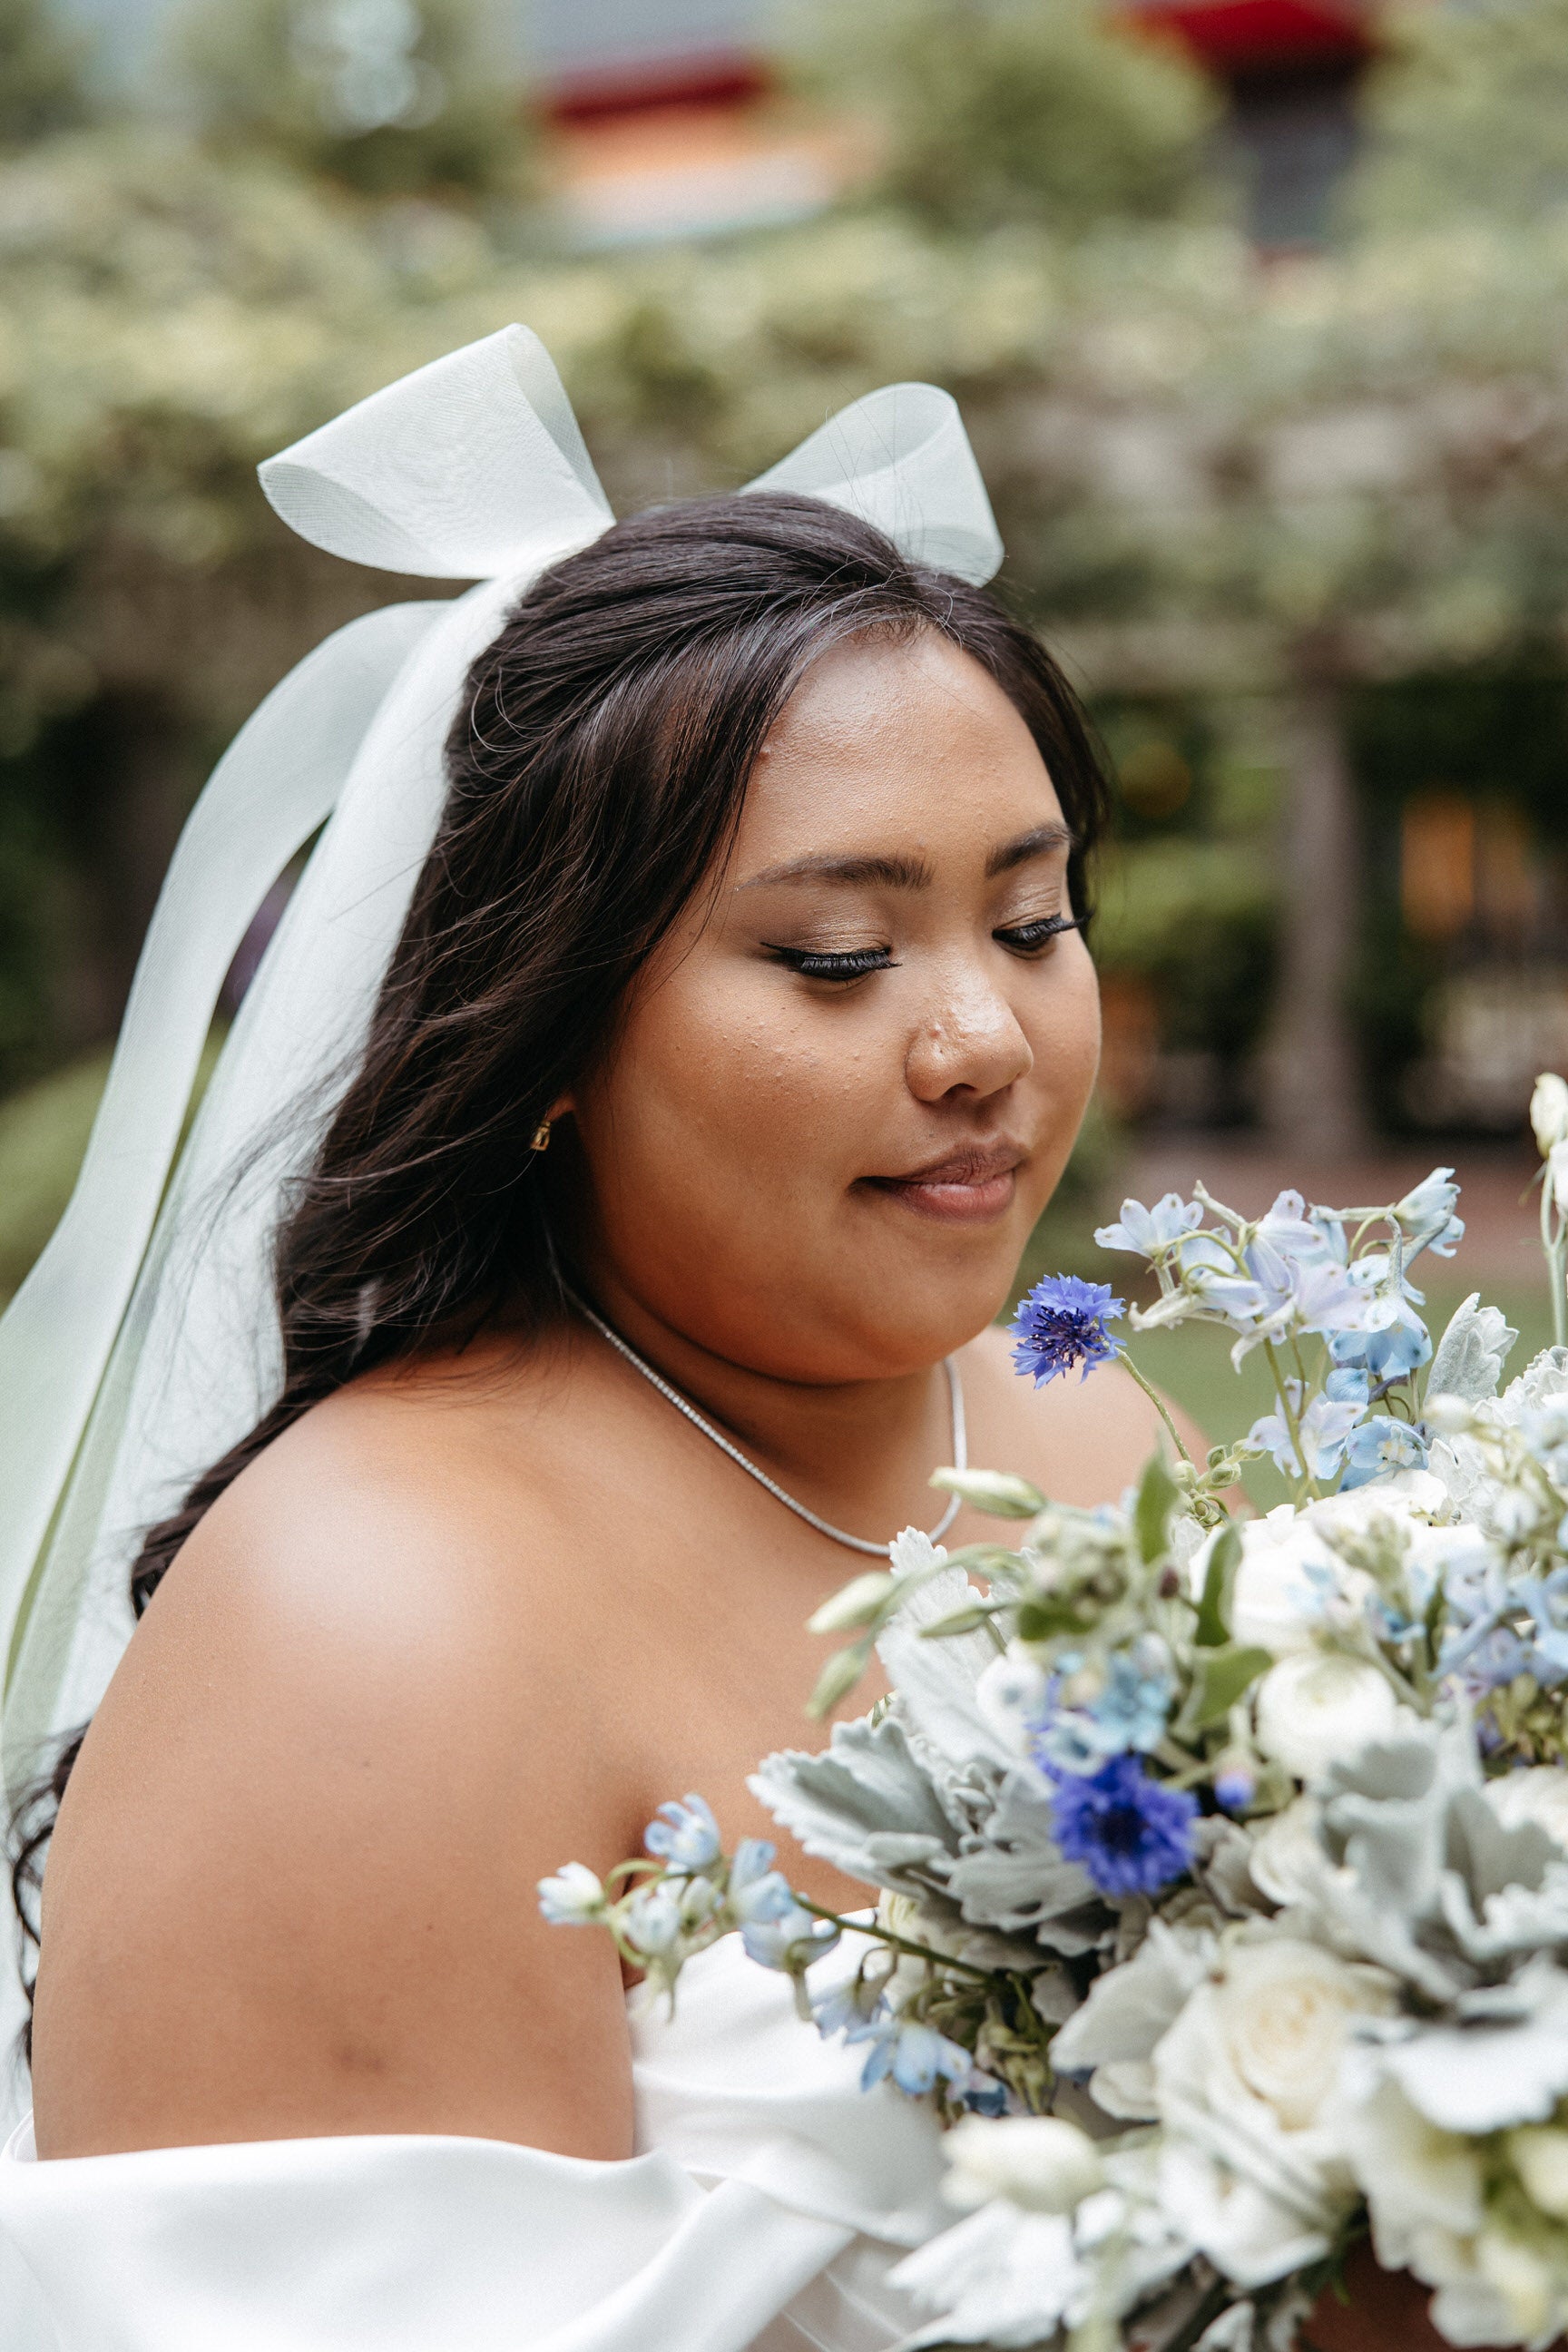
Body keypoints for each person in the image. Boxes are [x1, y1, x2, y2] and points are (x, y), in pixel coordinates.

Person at [0, 330, 1190, 2351]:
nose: (981, 1041)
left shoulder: (1096, 1431)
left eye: (1029, 919)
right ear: (550, 1035)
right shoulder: (369, 1625)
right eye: (834, 954)